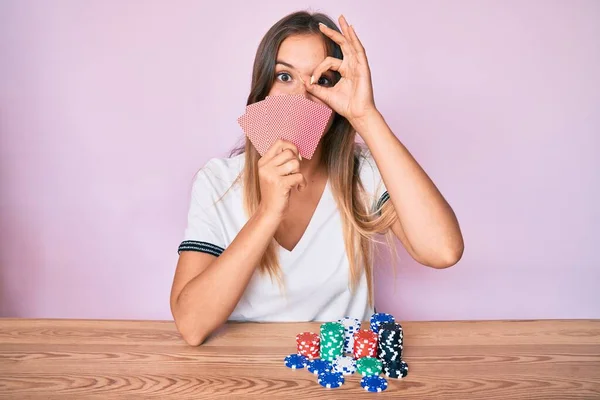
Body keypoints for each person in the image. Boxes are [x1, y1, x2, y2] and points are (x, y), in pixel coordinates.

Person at [170, 11, 464, 346]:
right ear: (262, 87)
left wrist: (365, 116)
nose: (301, 97)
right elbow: (192, 326)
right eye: (285, 77)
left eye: (321, 80)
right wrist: (268, 213)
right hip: (246, 367)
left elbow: (443, 251)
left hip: (342, 372)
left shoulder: (363, 172)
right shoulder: (218, 181)